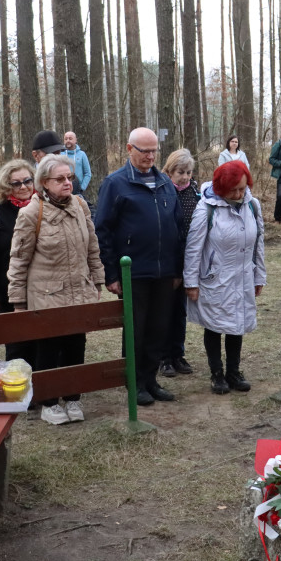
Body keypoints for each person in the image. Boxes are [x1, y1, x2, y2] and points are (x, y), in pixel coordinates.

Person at [7, 154, 104, 425]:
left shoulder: (80, 206)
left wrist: (96, 280)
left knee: (76, 345)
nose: (67, 183)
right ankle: (49, 402)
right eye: (59, 179)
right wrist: (18, 301)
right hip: (46, 296)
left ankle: (73, 397)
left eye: (69, 178)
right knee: (48, 349)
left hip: (79, 293)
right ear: (44, 182)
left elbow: (92, 248)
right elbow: (18, 260)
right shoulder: (31, 213)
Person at [95, 128, 184, 406]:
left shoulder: (165, 183)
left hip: (164, 271)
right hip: (132, 271)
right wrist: (111, 273)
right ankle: (134, 383)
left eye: (154, 150)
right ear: (129, 149)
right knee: (136, 329)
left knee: (159, 328)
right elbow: (103, 230)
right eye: (144, 150)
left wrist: (178, 269)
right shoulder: (115, 183)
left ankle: (151, 379)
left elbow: (178, 227)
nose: (150, 156)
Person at [183, 161, 266, 394]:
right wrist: (191, 283)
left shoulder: (253, 206)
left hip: (242, 277)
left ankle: (233, 371)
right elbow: (193, 249)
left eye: (242, 188)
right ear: (221, 188)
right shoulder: (206, 209)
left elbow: (258, 243)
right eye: (234, 190)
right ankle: (216, 373)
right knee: (214, 325)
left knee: (236, 325)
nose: (239, 194)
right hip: (214, 279)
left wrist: (259, 276)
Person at [0, 159, 38, 365]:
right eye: (16, 183)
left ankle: (45, 390)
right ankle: (19, 391)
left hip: (43, 288)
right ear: (6, 186)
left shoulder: (44, 209)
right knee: (17, 344)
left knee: (44, 342)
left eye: (27, 181)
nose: (23, 187)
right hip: (9, 291)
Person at [159, 149, 200, 379]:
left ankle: (178, 353)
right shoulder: (163, 190)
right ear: (170, 171)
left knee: (181, 310)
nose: (184, 177)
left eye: (188, 172)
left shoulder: (193, 191)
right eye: (180, 172)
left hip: (188, 258)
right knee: (166, 310)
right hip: (167, 258)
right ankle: (164, 357)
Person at [59, 131, 92, 197]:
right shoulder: (60, 154)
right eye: (66, 139)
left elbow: (88, 173)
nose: (68, 140)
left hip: (78, 191)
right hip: (63, 189)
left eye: (70, 138)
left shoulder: (82, 154)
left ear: (75, 140)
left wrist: (82, 188)